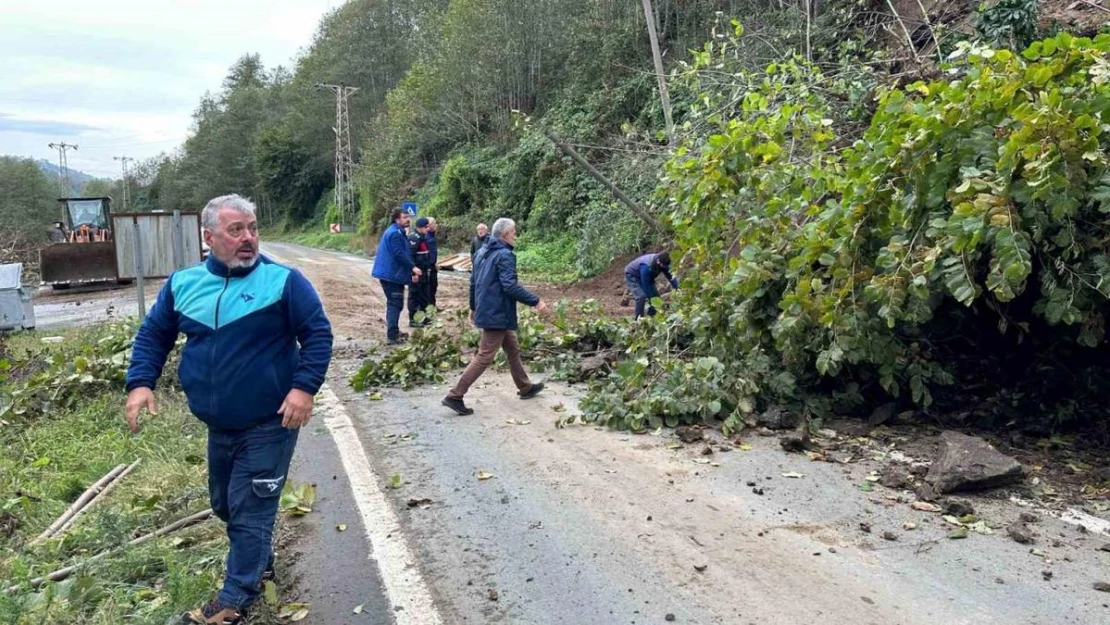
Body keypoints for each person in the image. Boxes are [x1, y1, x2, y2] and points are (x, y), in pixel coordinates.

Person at [124, 194, 333, 625]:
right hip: (219, 426)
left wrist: (303, 389)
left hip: (271, 421)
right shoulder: (183, 285)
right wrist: (141, 382)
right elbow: (153, 336)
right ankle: (261, 562)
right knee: (224, 505)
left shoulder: (283, 282)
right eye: (236, 230)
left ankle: (233, 600)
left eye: (253, 228)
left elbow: (318, 334)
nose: (249, 238)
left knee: (251, 509)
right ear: (208, 237)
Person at [442, 218, 546, 415]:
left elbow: (474, 282)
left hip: (490, 309)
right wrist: (535, 301)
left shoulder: (482, 252)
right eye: (514, 231)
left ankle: (525, 387)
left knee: (512, 347)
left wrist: (474, 307)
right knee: (484, 355)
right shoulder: (504, 255)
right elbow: (509, 285)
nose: (516, 235)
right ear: (505, 235)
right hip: (496, 312)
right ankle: (455, 395)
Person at [372, 209, 421, 344]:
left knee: (394, 303)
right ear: (397, 219)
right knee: (395, 304)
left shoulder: (396, 231)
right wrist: (413, 268)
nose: (407, 219)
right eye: (404, 217)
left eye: (407, 217)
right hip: (391, 275)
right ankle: (392, 336)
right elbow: (399, 254)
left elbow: (402, 253)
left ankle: (393, 331)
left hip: (392, 274)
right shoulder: (395, 234)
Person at [624, 251, 679, 318]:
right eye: (663, 266)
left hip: (647, 276)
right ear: (658, 261)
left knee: (656, 297)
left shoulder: (664, 263)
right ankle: (638, 320)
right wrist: (653, 301)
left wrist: (678, 289)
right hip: (632, 275)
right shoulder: (646, 267)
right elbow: (646, 286)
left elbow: (671, 277)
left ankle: (652, 317)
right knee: (642, 297)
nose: (664, 267)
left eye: (665, 266)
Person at [407, 217, 435, 326]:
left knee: (423, 296)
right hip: (416, 273)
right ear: (420, 227)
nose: (428, 229)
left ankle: (423, 318)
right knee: (414, 296)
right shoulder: (414, 238)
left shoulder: (423, 238)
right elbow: (410, 257)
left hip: (424, 272)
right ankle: (413, 319)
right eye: (426, 227)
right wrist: (413, 273)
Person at [426, 218, 440, 309]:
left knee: (434, 286)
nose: (436, 225)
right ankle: (430, 308)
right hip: (428, 267)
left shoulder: (431, 236)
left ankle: (432, 306)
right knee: (429, 288)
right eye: (434, 223)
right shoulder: (426, 237)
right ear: (428, 226)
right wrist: (430, 263)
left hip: (432, 265)